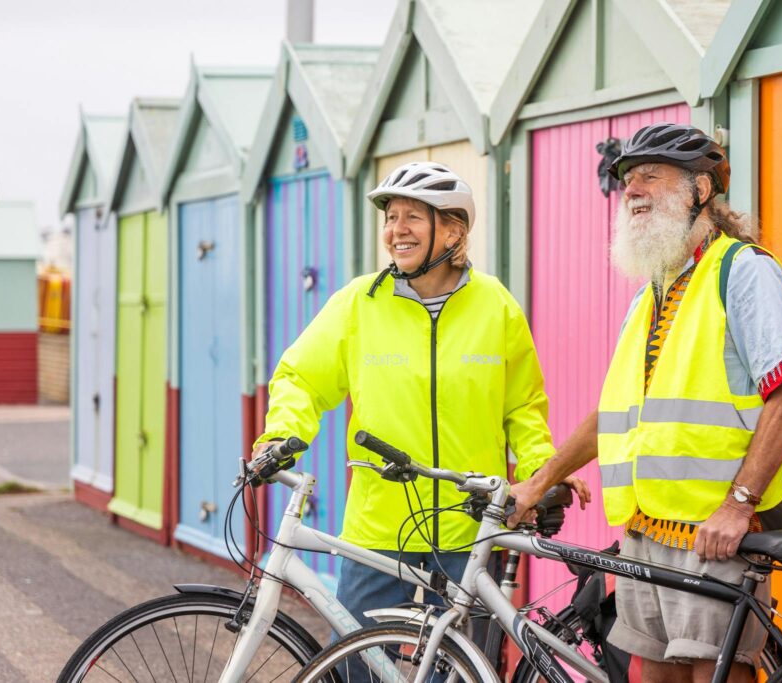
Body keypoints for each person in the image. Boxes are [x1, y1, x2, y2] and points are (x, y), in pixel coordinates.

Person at [509, 123, 782, 682]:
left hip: (714, 533)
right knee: (648, 673)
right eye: (627, 178)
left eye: (651, 174)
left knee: (710, 673)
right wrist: (537, 480)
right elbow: (613, 414)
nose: (632, 188)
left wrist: (739, 504)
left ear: (700, 189)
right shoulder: (653, 289)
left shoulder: (742, 272)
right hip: (645, 535)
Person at [251, 161, 590, 643]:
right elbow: (300, 377)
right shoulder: (358, 303)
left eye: (412, 216)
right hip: (378, 526)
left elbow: (522, 407)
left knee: (457, 667)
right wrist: (284, 434)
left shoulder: (495, 305)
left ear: (452, 231)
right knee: (355, 665)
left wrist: (540, 470)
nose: (395, 230)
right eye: (390, 217)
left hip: (467, 527)